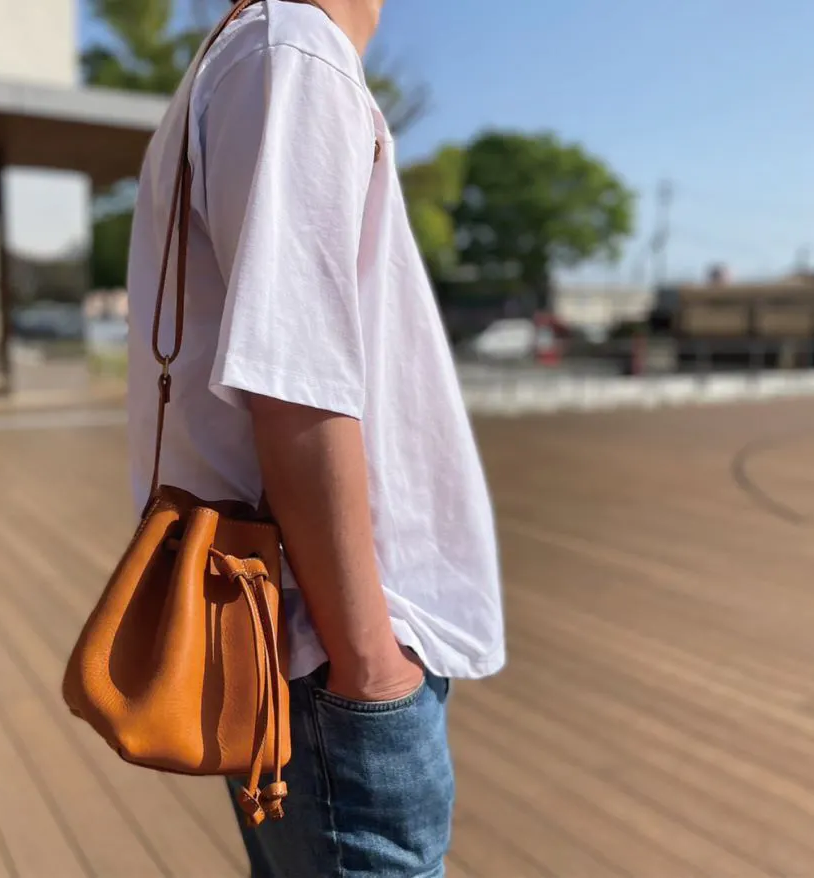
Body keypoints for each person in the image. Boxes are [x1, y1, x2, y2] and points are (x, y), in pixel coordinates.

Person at [124, 0, 505, 874]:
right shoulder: (292, 53)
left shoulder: (251, 54)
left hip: (289, 641)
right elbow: (293, 387)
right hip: (329, 657)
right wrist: (369, 664)